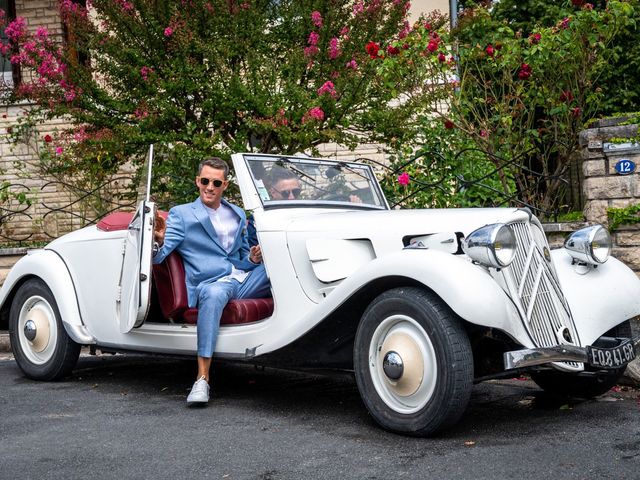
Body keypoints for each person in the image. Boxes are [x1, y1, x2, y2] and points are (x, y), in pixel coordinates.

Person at [153, 157, 271, 406]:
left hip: (241, 279)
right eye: (204, 181)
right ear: (197, 181)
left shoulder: (237, 213)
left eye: (215, 183)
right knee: (215, 294)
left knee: (279, 269)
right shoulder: (182, 214)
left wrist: (251, 257)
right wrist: (160, 239)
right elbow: (161, 255)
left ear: (224, 185)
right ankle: (202, 379)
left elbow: (239, 257)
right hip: (211, 284)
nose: (209, 187)